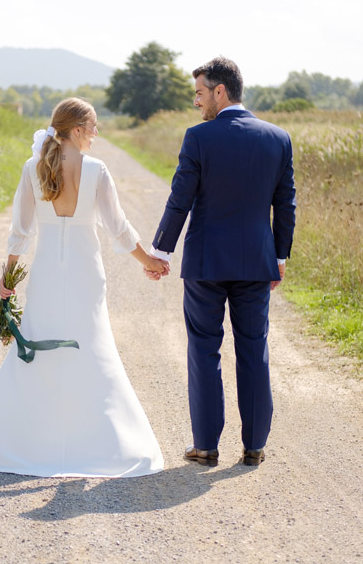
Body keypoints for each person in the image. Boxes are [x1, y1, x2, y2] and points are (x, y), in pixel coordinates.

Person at [0, 98, 166, 477]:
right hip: (86, 272)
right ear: (78, 129)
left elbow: (20, 230)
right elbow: (118, 228)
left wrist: (9, 276)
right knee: (93, 348)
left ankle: (28, 442)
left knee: (40, 349)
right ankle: (98, 441)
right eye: (94, 127)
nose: (97, 134)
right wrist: (148, 261)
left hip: (47, 273)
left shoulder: (32, 168)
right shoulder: (96, 170)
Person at [148, 57, 296, 467]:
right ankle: (254, 447)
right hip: (255, 264)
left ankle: (207, 446)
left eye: (199, 92)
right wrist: (279, 256)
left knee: (203, 351)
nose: (196, 102)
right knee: (254, 350)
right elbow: (285, 204)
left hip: (206, 264)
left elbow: (180, 199)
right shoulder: (278, 138)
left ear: (219, 91)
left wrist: (161, 252)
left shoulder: (198, 138)